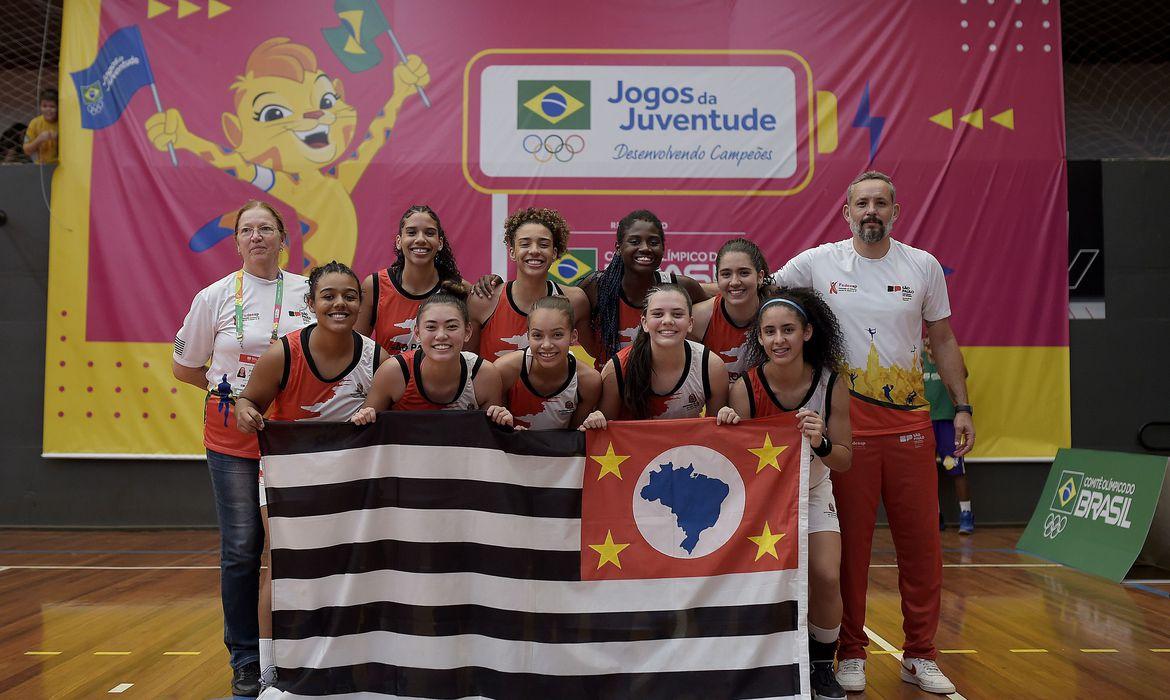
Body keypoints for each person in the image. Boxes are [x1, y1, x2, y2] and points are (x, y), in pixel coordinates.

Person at [772, 171, 974, 695]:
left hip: (911, 430)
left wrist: (963, 407)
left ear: (895, 211)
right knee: (850, 550)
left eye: (880, 203)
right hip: (845, 433)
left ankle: (921, 654)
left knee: (922, 546)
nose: (871, 212)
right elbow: (759, 297)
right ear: (846, 212)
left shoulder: (923, 267)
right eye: (862, 203)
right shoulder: (817, 264)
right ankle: (851, 649)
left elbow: (945, 339)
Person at [171, 200, 312, 697]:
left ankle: (296, 652)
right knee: (240, 550)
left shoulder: (307, 292)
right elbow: (186, 367)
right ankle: (246, 659)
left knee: (297, 549)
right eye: (247, 230)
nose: (257, 237)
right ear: (236, 242)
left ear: (283, 239)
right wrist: (234, 397)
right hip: (233, 440)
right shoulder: (213, 297)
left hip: (295, 441)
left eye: (266, 229)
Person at [234, 260, 386, 690]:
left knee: (354, 565)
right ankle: (267, 669)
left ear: (360, 303)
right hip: (289, 477)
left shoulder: (376, 357)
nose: (340, 303)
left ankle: (349, 657)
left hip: (351, 478)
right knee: (280, 565)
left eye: (350, 296)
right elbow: (249, 402)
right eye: (329, 296)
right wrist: (246, 414)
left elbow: (395, 414)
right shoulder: (285, 352)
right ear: (312, 303)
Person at [716, 288, 852, 700]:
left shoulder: (831, 384)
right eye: (770, 331)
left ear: (807, 332)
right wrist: (726, 422)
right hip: (761, 498)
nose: (779, 340)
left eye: (788, 330)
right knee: (755, 581)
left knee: (827, 576)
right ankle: (757, 661)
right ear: (759, 338)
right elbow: (734, 459)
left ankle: (821, 664)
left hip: (812, 489)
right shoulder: (746, 387)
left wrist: (822, 442)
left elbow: (844, 459)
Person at [351, 282, 513, 426]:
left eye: (451, 327)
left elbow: (492, 444)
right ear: (417, 333)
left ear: (468, 332)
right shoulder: (394, 372)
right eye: (431, 327)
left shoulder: (484, 375)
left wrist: (504, 424)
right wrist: (364, 419)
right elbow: (365, 439)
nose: (441, 335)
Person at [580, 283, 727, 428]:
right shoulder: (618, 368)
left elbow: (714, 433)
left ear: (690, 323)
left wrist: (725, 417)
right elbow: (603, 434)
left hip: (687, 450)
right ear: (644, 323)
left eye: (677, 314)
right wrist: (596, 420)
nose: (668, 321)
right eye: (658, 314)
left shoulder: (710, 366)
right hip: (634, 450)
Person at [581, 209, 712, 365]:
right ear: (618, 247)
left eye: (654, 242)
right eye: (635, 241)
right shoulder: (596, 287)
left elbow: (718, 315)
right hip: (610, 385)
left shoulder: (684, 287)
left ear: (663, 248)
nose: (645, 248)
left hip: (664, 386)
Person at [469, 207, 590, 359]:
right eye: (525, 244)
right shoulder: (484, 300)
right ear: (512, 252)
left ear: (554, 253)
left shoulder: (575, 301)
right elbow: (467, 367)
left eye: (544, 245)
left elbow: (599, 354)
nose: (534, 250)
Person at [355, 205, 462, 355]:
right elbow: (356, 350)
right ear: (399, 241)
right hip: (389, 378)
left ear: (440, 243)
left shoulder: (458, 288)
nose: (420, 239)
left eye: (429, 233)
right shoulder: (375, 286)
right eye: (411, 233)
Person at [495, 296, 601, 429]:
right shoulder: (504, 370)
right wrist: (509, 430)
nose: (546, 345)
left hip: (561, 449)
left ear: (573, 336)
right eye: (537, 335)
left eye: (557, 335)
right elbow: (492, 432)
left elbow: (576, 438)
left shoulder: (588, 381)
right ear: (528, 336)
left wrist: (593, 423)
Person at [690, 238, 771, 383]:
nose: (734, 282)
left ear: (760, 277)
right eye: (726, 274)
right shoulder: (699, 318)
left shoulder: (777, 315)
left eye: (744, 273)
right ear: (717, 279)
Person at [924, 336, 974, 534]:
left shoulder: (947, 358)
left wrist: (942, 355)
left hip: (946, 422)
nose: (929, 346)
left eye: (931, 342)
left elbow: (963, 373)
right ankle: (935, 516)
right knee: (926, 473)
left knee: (954, 468)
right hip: (924, 422)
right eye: (926, 342)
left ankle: (966, 514)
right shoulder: (918, 358)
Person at [22, 89, 58, 164]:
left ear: (58, 108)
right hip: (42, 166)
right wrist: (39, 139)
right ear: (40, 107)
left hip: (62, 166)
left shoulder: (64, 122)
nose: (48, 110)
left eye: (52, 106)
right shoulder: (35, 123)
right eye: (44, 106)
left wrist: (59, 138)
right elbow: (26, 151)